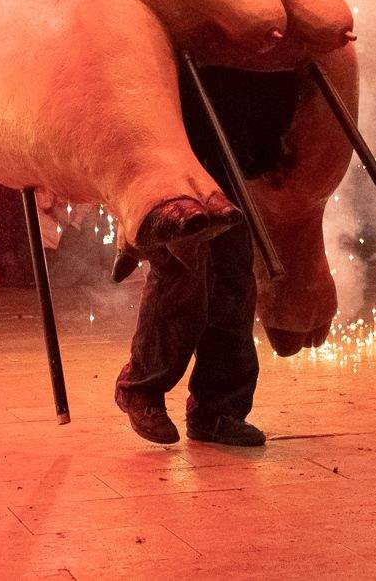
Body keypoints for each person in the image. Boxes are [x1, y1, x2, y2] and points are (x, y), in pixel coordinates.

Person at [116, 63, 286, 446]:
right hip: (169, 149)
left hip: (228, 142)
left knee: (233, 282)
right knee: (181, 273)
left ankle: (218, 409)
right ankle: (141, 387)